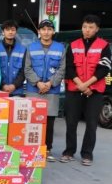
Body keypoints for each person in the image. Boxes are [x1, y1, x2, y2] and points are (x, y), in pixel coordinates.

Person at [61, 14, 111, 166]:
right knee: (71, 122)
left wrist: (87, 85)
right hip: (74, 89)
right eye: (84, 27)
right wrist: (80, 85)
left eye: (91, 27)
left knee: (91, 124)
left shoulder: (104, 46)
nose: (87, 30)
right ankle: (69, 151)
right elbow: (69, 68)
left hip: (94, 91)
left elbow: (104, 68)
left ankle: (87, 154)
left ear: (97, 29)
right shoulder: (73, 45)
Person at [24, 19, 66, 162]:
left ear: (53, 31)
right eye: (43, 29)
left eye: (49, 29)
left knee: (49, 122)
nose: (46, 32)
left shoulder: (60, 48)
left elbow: (62, 69)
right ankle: (31, 148)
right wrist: (38, 83)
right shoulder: (31, 47)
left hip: (52, 90)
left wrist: (50, 83)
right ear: (39, 32)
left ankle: (47, 149)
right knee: (32, 121)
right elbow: (27, 68)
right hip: (33, 89)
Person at [0, 19, 26, 96]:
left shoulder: (22, 49)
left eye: (13, 30)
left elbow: (24, 71)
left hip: (17, 91)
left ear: (16, 32)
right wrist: (2, 85)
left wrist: (14, 85)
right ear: (2, 32)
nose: (10, 32)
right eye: (7, 30)